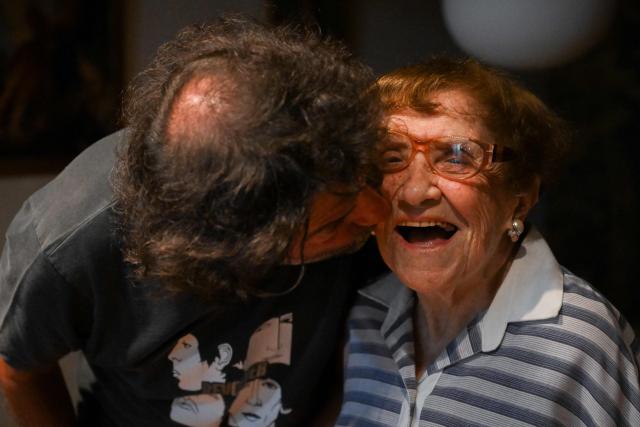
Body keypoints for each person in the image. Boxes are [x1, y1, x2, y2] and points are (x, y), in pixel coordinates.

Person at [0, 17, 390, 426]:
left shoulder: (356, 175)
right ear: (234, 240)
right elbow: (21, 370)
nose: (377, 212)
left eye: (362, 181)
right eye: (334, 223)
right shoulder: (70, 241)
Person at [337, 57, 640, 426]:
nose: (415, 192)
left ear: (520, 197)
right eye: (391, 157)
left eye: (456, 157)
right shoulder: (366, 316)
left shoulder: (577, 341)